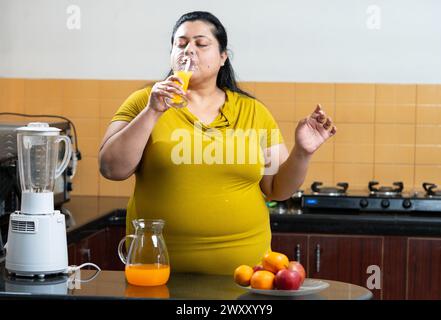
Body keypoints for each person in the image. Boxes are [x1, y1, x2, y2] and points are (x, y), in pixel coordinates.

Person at [99, 11, 336, 275]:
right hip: (157, 272)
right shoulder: (144, 102)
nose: (189, 50)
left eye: (201, 44)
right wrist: (152, 112)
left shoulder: (253, 112)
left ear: (223, 56)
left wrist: (302, 152)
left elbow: (277, 189)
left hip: (247, 276)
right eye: (181, 43)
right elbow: (111, 169)